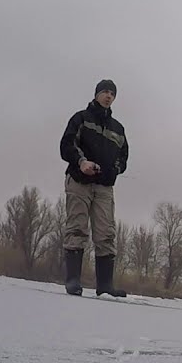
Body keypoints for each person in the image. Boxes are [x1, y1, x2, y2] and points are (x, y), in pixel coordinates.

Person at [59, 79, 129, 298]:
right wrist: (82, 162)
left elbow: (123, 158)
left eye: (112, 93)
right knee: (77, 228)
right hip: (80, 181)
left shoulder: (118, 128)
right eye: (105, 92)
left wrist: (114, 170)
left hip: (104, 187)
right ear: (97, 94)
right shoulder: (80, 118)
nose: (108, 96)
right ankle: (73, 280)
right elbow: (66, 145)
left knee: (106, 233)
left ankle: (105, 285)